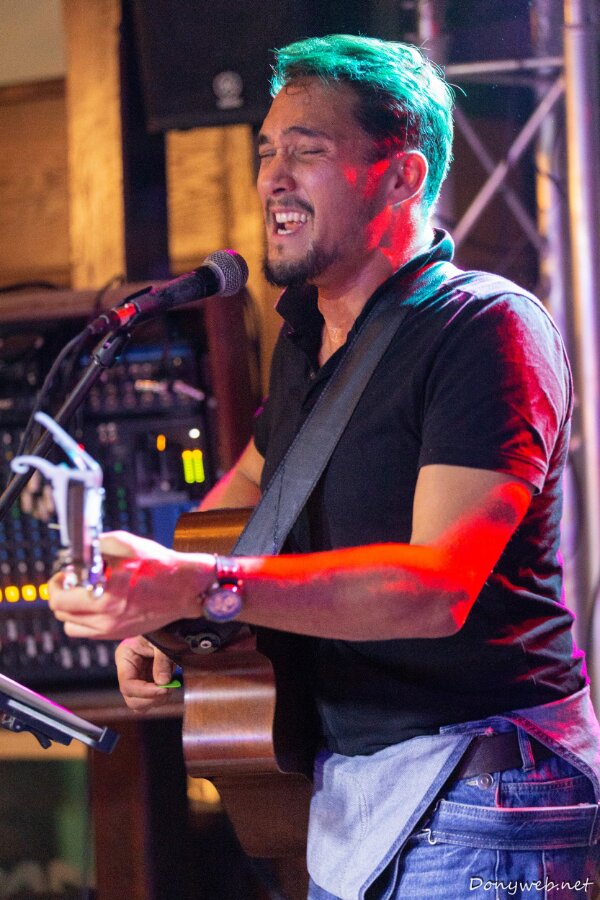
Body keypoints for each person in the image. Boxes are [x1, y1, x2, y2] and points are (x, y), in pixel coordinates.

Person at [49, 35, 600, 900]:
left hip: (481, 791)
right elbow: (246, 497)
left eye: (306, 152)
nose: (272, 177)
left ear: (402, 177)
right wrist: (161, 612)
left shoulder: (485, 329)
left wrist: (203, 587)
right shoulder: (309, 341)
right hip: (362, 795)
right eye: (266, 151)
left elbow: (434, 590)